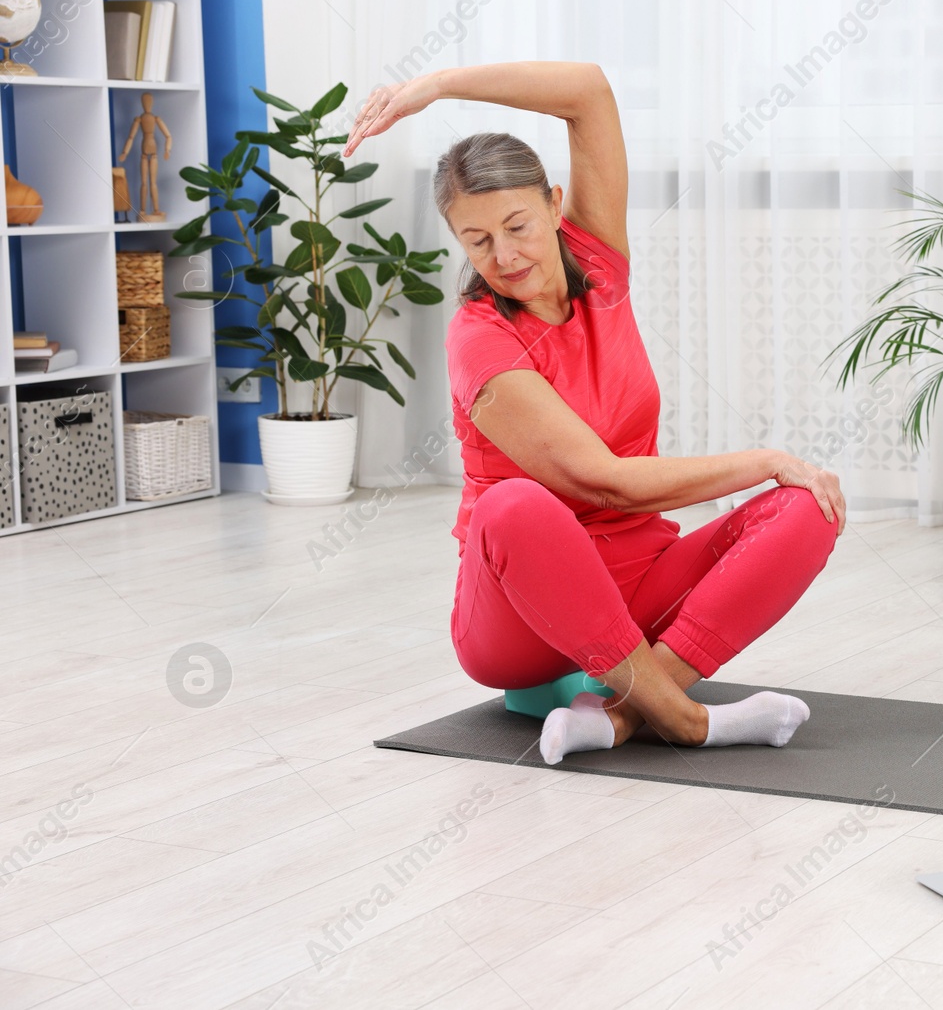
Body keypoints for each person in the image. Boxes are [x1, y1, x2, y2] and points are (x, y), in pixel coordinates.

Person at [344, 61, 843, 764]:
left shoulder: (597, 260)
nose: (505, 255)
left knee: (807, 503)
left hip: (639, 579)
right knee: (514, 504)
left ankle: (619, 716)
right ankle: (689, 721)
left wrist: (435, 88)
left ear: (554, 203)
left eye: (517, 225)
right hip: (519, 620)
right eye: (476, 240)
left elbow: (588, 91)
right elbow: (601, 482)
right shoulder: (479, 337)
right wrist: (761, 458)